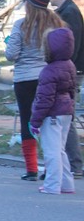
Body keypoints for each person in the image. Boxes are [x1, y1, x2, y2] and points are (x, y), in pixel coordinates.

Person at [5, 0, 65, 181]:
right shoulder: (57, 24)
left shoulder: (21, 25)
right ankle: (50, 167)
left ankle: (31, 168)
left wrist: (9, 44)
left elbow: (11, 54)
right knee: (49, 123)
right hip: (48, 77)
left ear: (28, 4)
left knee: (27, 121)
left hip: (24, 79)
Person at [30, 26, 77, 195]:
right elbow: (72, 90)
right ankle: (66, 183)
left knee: (51, 151)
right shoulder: (69, 65)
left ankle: (52, 185)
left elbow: (44, 99)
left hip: (52, 116)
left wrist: (35, 121)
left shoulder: (49, 71)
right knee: (60, 150)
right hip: (65, 112)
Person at [47, 0, 84, 178]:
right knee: (64, 116)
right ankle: (71, 162)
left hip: (70, 71)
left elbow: (72, 44)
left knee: (65, 116)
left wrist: (67, 68)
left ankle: (75, 163)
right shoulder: (65, 11)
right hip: (69, 69)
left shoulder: (69, 13)